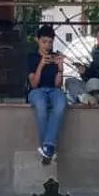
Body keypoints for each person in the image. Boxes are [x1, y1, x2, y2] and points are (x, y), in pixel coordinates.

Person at [27, 25, 66, 165]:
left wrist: (60, 68)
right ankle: (48, 147)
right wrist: (41, 65)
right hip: (37, 91)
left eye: (50, 42)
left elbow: (57, 85)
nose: (47, 45)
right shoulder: (31, 57)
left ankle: (47, 147)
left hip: (53, 90)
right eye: (44, 42)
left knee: (61, 102)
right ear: (37, 40)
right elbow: (33, 84)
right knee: (41, 105)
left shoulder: (55, 56)